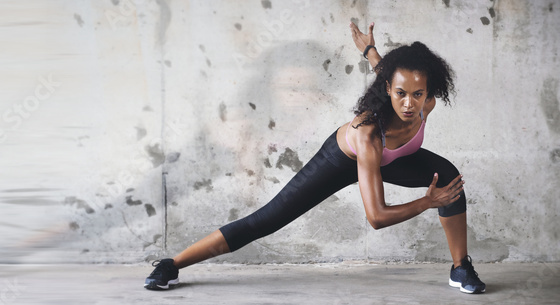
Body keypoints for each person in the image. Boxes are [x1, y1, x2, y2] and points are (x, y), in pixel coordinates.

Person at [143, 22, 486, 294]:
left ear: (429, 92)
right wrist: (427, 202)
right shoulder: (368, 131)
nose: (410, 104)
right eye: (401, 94)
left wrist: (370, 50)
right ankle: (171, 264)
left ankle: (460, 266)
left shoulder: (426, 103)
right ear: (387, 91)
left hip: (389, 157)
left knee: (448, 177)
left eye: (418, 94)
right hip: (342, 159)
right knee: (265, 220)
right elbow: (377, 218)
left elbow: (389, 72)